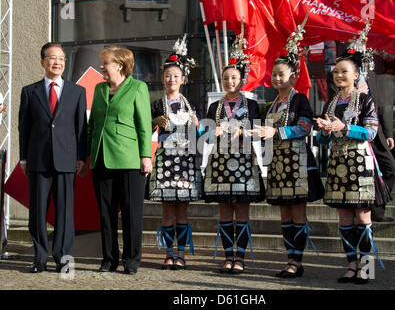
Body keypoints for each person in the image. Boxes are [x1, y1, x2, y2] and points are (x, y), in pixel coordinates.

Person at [316, 25, 390, 284]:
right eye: (335, 72)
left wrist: (344, 127)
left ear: (356, 74)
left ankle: (366, 268)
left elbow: (370, 132)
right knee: (345, 217)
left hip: (360, 164)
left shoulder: (366, 100)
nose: (338, 76)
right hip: (338, 164)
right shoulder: (332, 103)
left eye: (344, 72)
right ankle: (351, 265)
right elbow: (324, 139)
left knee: (362, 216)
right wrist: (324, 130)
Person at [249, 26, 324, 278]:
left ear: (292, 77)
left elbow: (304, 128)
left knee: (297, 211)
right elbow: (262, 130)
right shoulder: (270, 105)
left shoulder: (300, 99)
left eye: (282, 75)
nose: (277, 79)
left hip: (298, 164)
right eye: (274, 75)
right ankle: (289, 257)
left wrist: (276, 133)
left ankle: (297, 261)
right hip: (278, 165)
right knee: (284, 213)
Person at [18, 42, 87, 273]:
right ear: (42, 62)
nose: (57, 62)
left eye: (61, 58)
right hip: (38, 161)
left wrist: (80, 157)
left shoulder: (77, 92)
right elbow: (24, 128)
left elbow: (81, 128)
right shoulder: (30, 91)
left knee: (65, 212)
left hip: (67, 161)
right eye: (52, 58)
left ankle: (63, 257)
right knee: (37, 211)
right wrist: (24, 159)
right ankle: (39, 257)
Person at [87, 46, 153, 275]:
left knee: (131, 213)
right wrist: (87, 154)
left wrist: (146, 156)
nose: (101, 66)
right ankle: (109, 259)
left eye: (105, 62)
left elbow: (144, 124)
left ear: (119, 65)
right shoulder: (99, 88)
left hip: (129, 159)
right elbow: (93, 125)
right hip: (101, 159)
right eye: (101, 62)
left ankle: (132, 260)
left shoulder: (138, 87)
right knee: (105, 214)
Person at [203, 33, 263, 274]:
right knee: (225, 212)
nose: (229, 82)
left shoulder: (252, 105)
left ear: (241, 81)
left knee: (243, 212)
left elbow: (260, 133)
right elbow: (205, 137)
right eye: (226, 78)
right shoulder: (214, 106)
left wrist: (243, 131)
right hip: (219, 163)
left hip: (244, 162)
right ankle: (228, 256)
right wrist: (211, 131)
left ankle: (241, 257)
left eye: (234, 78)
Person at [147, 35, 202, 270]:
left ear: (183, 79)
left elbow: (201, 136)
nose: (171, 79)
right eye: (168, 76)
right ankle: (168, 253)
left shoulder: (192, 105)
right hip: (166, 161)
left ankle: (181, 253)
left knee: (183, 213)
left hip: (186, 161)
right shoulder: (157, 104)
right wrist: (154, 121)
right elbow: (145, 128)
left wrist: (198, 124)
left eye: (176, 76)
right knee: (167, 211)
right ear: (163, 79)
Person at [327, 69, 395, 222]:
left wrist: (388, 133)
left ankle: (377, 210)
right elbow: (332, 111)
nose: (339, 74)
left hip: (370, 135)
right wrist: (326, 130)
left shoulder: (370, 74)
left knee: (391, 169)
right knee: (346, 213)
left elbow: (380, 105)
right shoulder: (335, 89)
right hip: (343, 148)